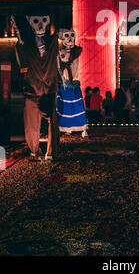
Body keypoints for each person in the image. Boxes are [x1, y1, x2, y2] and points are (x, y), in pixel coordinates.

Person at [12, 11, 59, 162]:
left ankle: (50, 151)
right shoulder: (26, 46)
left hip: (48, 87)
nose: (40, 25)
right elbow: (22, 56)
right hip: (33, 88)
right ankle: (34, 149)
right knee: (32, 120)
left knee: (51, 119)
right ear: (29, 21)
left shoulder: (52, 42)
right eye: (36, 21)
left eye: (44, 21)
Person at [56, 28, 88, 138]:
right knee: (64, 107)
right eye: (67, 36)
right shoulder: (59, 53)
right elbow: (59, 68)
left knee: (77, 106)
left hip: (74, 82)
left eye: (72, 35)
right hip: (65, 84)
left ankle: (82, 127)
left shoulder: (76, 52)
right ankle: (66, 128)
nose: (70, 39)